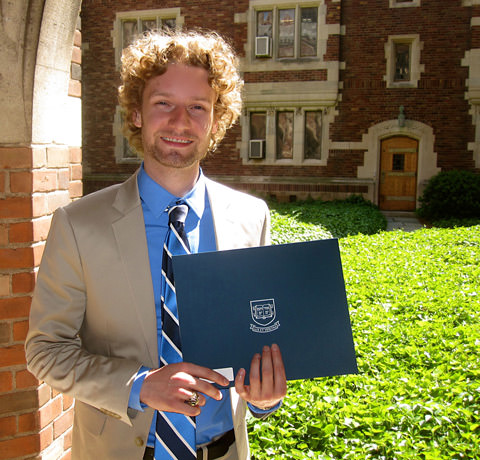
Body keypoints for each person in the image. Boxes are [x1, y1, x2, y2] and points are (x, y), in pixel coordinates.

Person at [25, 29, 287, 460]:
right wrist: (139, 385)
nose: (180, 121)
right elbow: (44, 350)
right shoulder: (78, 225)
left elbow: (260, 338)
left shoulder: (251, 218)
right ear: (136, 113)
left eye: (198, 107)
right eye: (163, 102)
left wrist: (265, 396)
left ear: (216, 120)